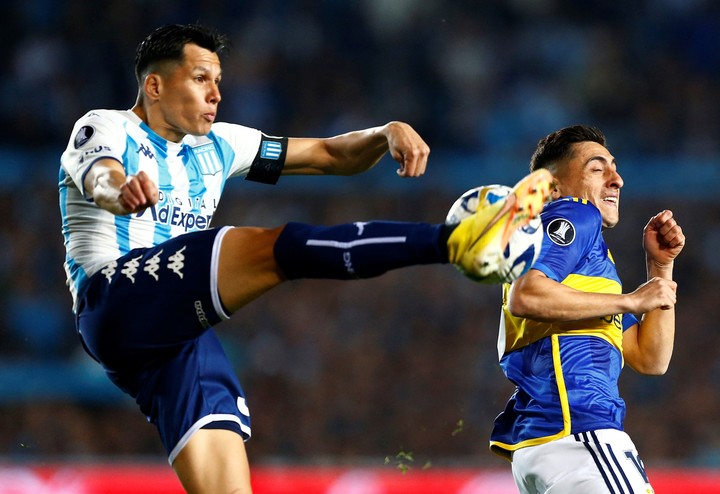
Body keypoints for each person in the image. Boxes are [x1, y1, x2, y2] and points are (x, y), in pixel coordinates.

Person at [58, 24, 552, 494]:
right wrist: (121, 189)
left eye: (219, 81)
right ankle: (452, 242)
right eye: (201, 78)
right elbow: (101, 174)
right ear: (155, 85)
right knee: (279, 248)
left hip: (176, 331)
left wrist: (384, 132)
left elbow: (330, 156)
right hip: (115, 297)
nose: (216, 93)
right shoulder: (105, 126)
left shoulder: (220, 145)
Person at [488, 125, 685, 493]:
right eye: (597, 169)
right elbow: (526, 295)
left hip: (549, 441)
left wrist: (659, 268)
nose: (617, 180)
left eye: (614, 168)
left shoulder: (588, 273)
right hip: (579, 431)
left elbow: (650, 358)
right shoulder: (575, 215)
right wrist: (630, 300)